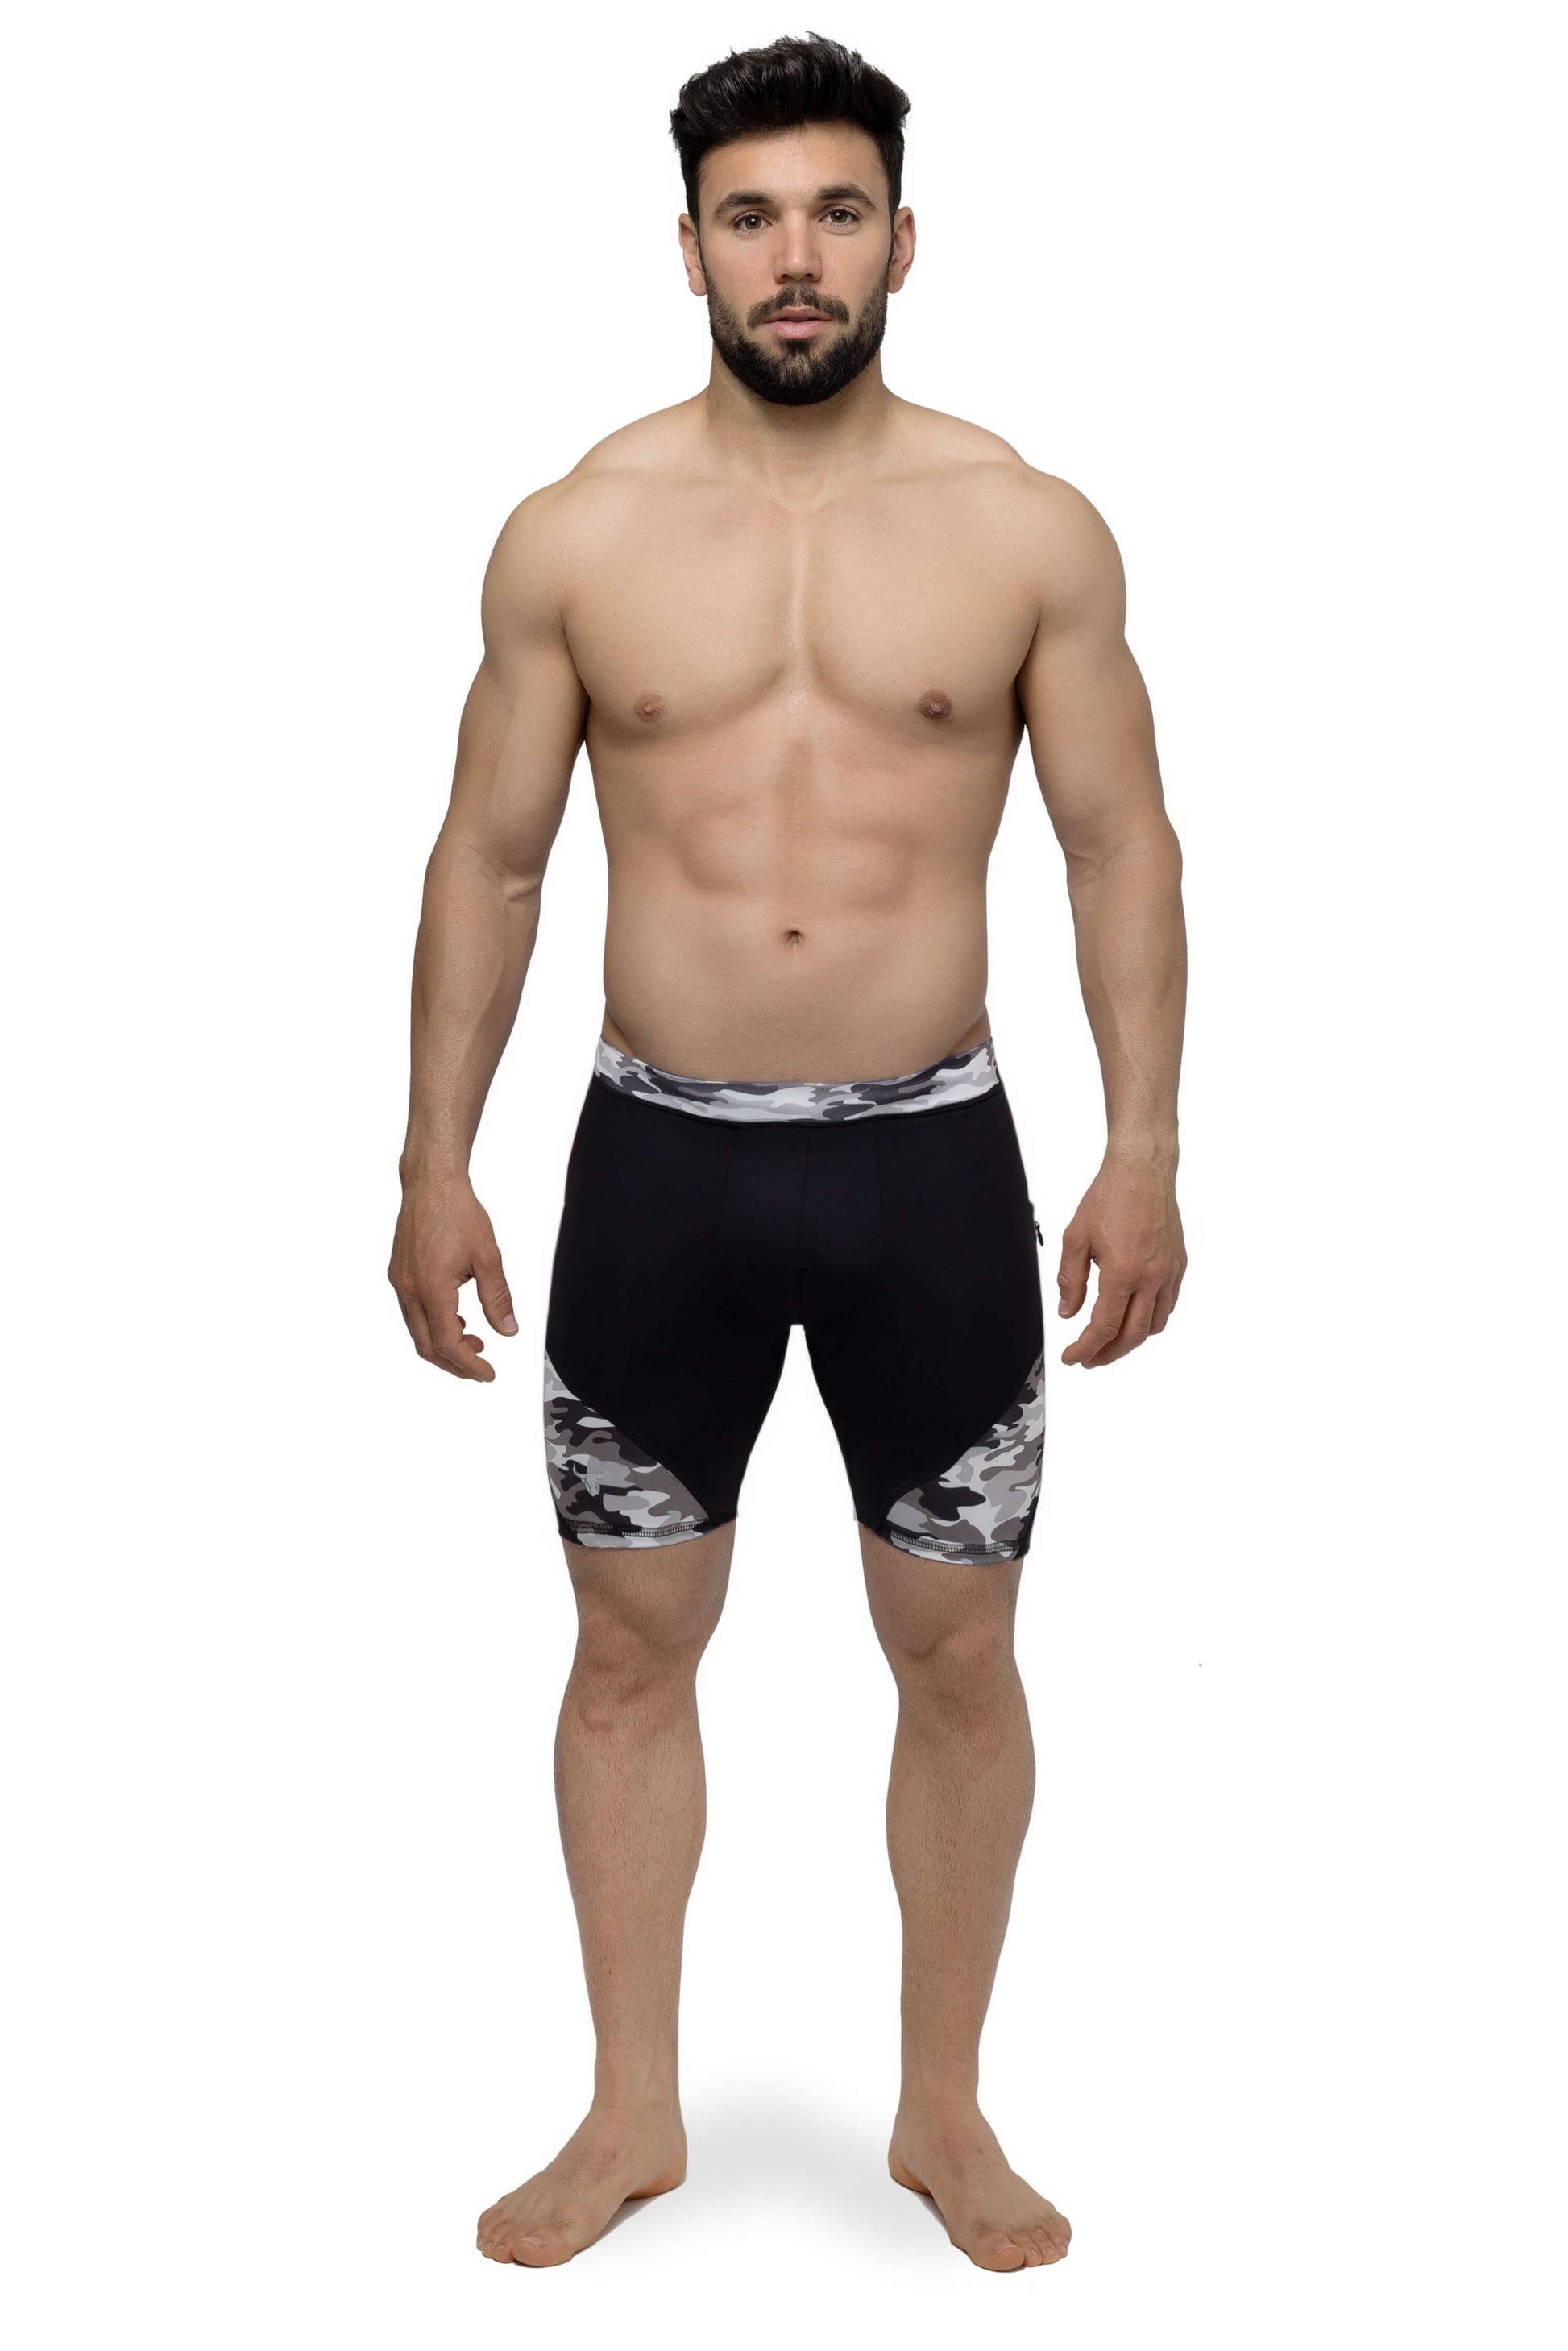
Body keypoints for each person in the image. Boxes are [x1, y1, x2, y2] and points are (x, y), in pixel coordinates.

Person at [388, 31, 1186, 2275]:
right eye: (753, 217)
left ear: (904, 240)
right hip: (659, 1172)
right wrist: (431, 1160)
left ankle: (943, 2112)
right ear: (689, 251)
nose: (797, 255)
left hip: (933, 1170)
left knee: (960, 1655)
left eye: (838, 211)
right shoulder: (578, 531)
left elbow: (1119, 846)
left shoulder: (1024, 526)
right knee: (627, 1653)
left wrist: (1143, 1145)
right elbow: (490, 859)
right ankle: (632, 2112)